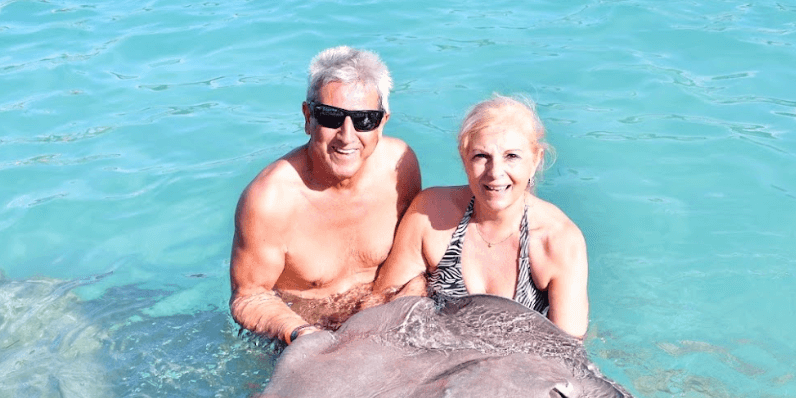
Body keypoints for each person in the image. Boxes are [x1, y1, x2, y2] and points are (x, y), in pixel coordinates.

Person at [229, 46, 422, 344]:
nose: (347, 136)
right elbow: (250, 297)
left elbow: (415, 252)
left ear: (382, 123)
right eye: (331, 117)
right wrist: (304, 334)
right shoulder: (271, 199)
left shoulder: (400, 166)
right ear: (308, 117)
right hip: (305, 337)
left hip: (386, 324)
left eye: (364, 120)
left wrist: (403, 301)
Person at [373, 95, 588, 338]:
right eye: (481, 156)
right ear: (465, 159)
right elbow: (379, 313)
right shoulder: (429, 214)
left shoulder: (559, 241)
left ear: (535, 160)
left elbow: (568, 352)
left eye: (512, 156)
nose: (495, 172)